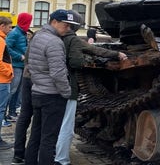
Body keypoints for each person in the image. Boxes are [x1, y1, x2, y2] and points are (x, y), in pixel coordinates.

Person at [55, 10, 127, 165]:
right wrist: (114, 55)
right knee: (66, 125)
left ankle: (48, 153)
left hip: (50, 88)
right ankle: (61, 159)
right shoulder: (72, 40)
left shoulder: (51, 37)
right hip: (67, 86)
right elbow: (83, 57)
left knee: (54, 122)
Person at [25, 9, 76, 165]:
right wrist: (67, 92)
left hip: (38, 92)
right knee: (49, 139)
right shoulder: (54, 42)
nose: (68, 29)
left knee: (35, 135)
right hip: (52, 96)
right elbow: (58, 73)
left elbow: (30, 64)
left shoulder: (38, 36)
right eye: (66, 25)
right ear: (54, 22)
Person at [5, 12, 32, 122]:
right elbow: (7, 49)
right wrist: (19, 56)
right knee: (12, 90)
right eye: (29, 21)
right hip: (16, 65)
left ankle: (12, 112)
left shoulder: (23, 33)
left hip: (21, 65)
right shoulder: (15, 33)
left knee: (17, 91)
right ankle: (4, 114)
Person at [0, 16, 13, 149]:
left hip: (2, 79)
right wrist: (8, 73)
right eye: (9, 27)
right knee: (1, 110)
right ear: (2, 26)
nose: (10, 29)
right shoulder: (1, 41)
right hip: (2, 80)